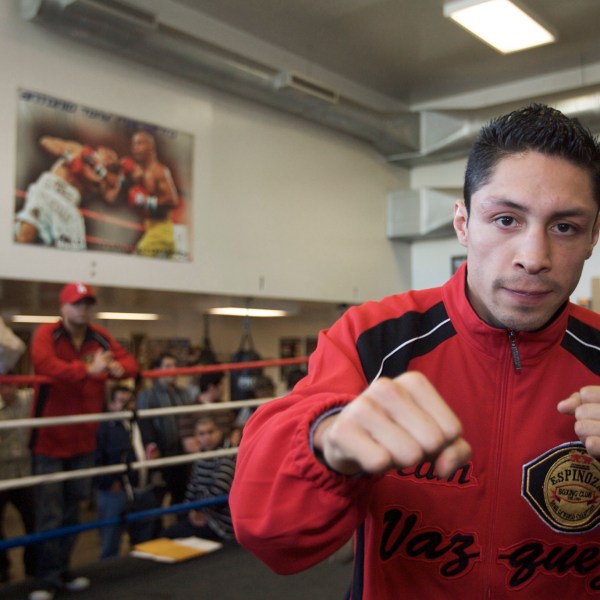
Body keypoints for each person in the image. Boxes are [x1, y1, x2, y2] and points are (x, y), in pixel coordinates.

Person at [230, 104, 600, 599]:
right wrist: (326, 442)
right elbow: (270, 536)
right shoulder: (374, 338)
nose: (533, 258)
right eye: (506, 218)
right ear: (464, 223)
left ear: (593, 236)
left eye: (565, 227)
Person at [28, 282, 138, 600]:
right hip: (49, 439)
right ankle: (45, 579)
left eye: (87, 303)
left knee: (73, 511)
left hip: (84, 439)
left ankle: (62, 572)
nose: (83, 309)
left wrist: (114, 370)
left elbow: (130, 365)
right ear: (63, 307)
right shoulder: (46, 334)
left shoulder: (99, 336)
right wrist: (91, 369)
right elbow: (45, 365)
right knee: (49, 514)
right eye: (77, 304)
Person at [14, 137, 115, 250]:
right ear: (100, 149)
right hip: (47, 191)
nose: (108, 157)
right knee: (26, 234)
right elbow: (45, 142)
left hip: (67, 206)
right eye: (107, 153)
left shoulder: (103, 177)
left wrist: (97, 168)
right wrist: (69, 156)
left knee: (72, 254)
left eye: (111, 159)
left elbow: (108, 193)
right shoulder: (78, 150)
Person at [94, 385, 159, 559]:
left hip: (144, 487)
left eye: (130, 401)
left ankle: (140, 573)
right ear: (112, 405)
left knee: (144, 538)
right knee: (111, 540)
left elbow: (153, 443)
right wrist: (109, 483)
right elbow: (96, 458)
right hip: (116, 492)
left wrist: (154, 453)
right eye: (122, 401)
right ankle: (109, 579)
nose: (128, 405)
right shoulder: (105, 427)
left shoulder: (142, 421)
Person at [163, 416, 236, 544]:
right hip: (204, 514)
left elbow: (219, 491)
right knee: (171, 532)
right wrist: (191, 510)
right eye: (201, 433)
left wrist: (200, 511)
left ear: (219, 432)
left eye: (210, 432)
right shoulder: (202, 456)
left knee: (169, 535)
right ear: (197, 437)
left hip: (222, 523)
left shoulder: (228, 454)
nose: (207, 437)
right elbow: (193, 487)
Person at [136, 352, 191, 505]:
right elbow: (144, 425)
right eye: (168, 366)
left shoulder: (184, 394)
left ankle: (180, 527)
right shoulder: (147, 395)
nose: (173, 370)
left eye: (174, 366)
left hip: (181, 456)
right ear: (157, 370)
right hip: (161, 456)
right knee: (156, 499)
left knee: (181, 498)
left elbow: (191, 420)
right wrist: (152, 447)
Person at [120, 131, 179, 258]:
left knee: (135, 264)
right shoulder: (140, 172)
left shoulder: (159, 171)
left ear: (151, 147)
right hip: (152, 228)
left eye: (140, 143)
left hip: (161, 231)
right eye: (134, 144)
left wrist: (147, 201)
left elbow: (173, 200)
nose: (135, 148)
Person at [0, 377, 35, 583]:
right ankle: (2, 566)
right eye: (2, 385)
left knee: (33, 520)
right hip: (1, 475)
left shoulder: (27, 399)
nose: (7, 389)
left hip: (25, 473)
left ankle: (32, 565)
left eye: (10, 384)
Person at [179, 371, 240, 451]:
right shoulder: (190, 411)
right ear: (211, 387)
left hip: (226, 457)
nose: (224, 388)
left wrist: (228, 450)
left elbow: (235, 431)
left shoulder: (225, 408)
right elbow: (190, 445)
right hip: (202, 460)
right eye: (221, 384)